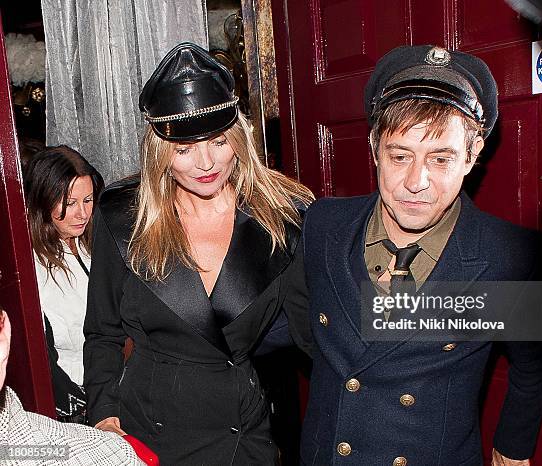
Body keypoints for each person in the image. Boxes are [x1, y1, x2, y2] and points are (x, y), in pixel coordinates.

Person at [297, 45, 542, 465]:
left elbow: (536, 362)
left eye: (441, 159)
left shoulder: (508, 255)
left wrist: (512, 450)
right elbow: (293, 322)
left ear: (472, 156)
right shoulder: (324, 225)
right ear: (374, 148)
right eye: (400, 156)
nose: (417, 182)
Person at [83, 42, 313, 465]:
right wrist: (104, 414)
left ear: (240, 138)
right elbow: (103, 332)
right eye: (184, 149)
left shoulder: (283, 219)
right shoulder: (122, 218)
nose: (206, 163)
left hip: (242, 434)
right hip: (151, 432)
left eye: (219, 141)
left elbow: (311, 332)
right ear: (159, 152)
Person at [0, 309, 145, 465]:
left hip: (106, 400)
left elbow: (107, 337)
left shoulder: (115, 456)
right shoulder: (116, 456)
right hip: (72, 405)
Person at [24, 146, 104, 423]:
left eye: (88, 200)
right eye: (69, 203)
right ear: (43, 200)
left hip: (114, 386)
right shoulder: (29, 264)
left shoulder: (95, 244)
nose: (82, 213)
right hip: (73, 403)